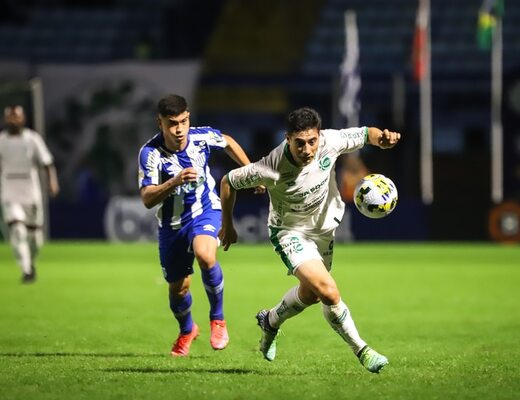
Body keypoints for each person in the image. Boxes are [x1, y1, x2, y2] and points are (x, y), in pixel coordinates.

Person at [218, 107, 401, 373]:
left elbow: (364, 134)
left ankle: (270, 321)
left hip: (324, 229)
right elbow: (227, 181)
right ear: (288, 139)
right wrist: (228, 224)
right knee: (328, 291)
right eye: (300, 143)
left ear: (318, 137)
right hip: (289, 232)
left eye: (312, 141)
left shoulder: (330, 141)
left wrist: (381, 139)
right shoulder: (271, 168)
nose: (307, 149)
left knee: (312, 295)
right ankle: (362, 350)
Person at [138, 94, 260, 356]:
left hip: (205, 209)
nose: (179, 129)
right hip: (171, 225)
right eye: (172, 123)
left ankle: (218, 319)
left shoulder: (201, 137)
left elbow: (227, 141)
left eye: (183, 121)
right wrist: (175, 181)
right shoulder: (150, 154)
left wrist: (251, 171)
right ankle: (187, 330)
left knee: (206, 255)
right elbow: (147, 198)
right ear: (159, 123)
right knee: (178, 289)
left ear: (188, 117)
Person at [0, 105, 59, 284]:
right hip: (9, 189)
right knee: (17, 229)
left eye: (16, 116)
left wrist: (52, 182)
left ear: (23, 118)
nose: (13, 120)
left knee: (35, 239)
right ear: (5, 119)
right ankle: (25, 269)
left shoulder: (32, 139)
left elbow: (47, 162)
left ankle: (31, 262)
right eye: (10, 117)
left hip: (30, 190)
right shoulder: (1, 140)